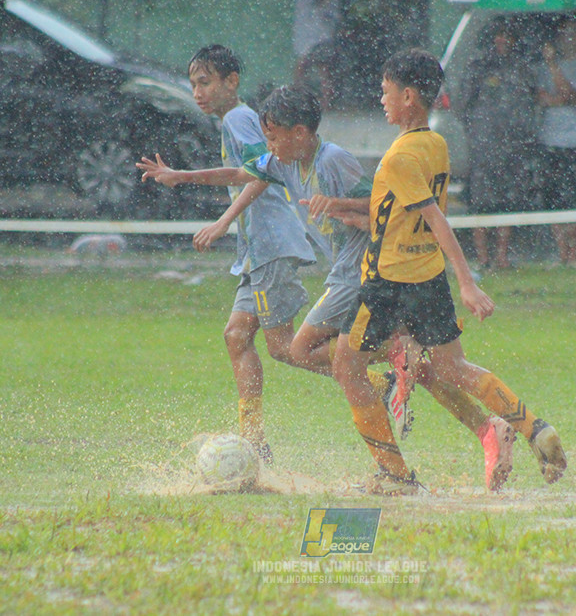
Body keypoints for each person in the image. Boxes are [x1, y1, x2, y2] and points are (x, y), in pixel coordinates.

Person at [193, 83, 521, 493]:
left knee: (302, 349)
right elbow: (243, 174)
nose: (269, 144)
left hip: (363, 273)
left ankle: (401, 442)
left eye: (274, 135)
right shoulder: (284, 161)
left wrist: (340, 207)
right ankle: (455, 419)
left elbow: (382, 207)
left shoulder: (334, 161)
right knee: (414, 370)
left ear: (299, 133)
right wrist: (181, 178)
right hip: (354, 274)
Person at [333, 49, 567, 495]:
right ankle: (534, 427)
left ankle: (395, 476)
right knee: (453, 367)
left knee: (346, 365)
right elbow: (417, 216)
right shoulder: (435, 144)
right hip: (427, 277)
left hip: (388, 282)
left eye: (386, 93)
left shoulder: (399, 156)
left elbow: (437, 219)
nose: (381, 100)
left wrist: (469, 283)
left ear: (407, 97)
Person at [137, 45, 315, 466]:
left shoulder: (238, 118)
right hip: (259, 252)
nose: (197, 92)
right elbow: (243, 173)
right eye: (193, 84)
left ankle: (370, 373)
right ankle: (254, 440)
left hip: (272, 246)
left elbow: (261, 175)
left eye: (205, 82)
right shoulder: (232, 123)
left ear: (231, 82)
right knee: (236, 336)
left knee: (284, 348)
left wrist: (221, 220)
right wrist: (182, 178)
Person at [457, 16, 540, 270]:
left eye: (507, 35)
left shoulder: (522, 67)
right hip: (484, 147)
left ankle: (502, 257)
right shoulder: (478, 66)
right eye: (498, 35)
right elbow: (463, 104)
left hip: (513, 146)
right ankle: (483, 258)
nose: (502, 40)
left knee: (508, 202)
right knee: (480, 203)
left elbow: (531, 102)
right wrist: (478, 132)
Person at [537, 16, 576, 266]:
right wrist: (562, 96)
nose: (567, 40)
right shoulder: (542, 68)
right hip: (551, 140)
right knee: (554, 199)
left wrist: (554, 68)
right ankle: (561, 252)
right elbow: (543, 98)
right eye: (562, 35)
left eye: (572, 34)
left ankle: (574, 253)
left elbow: (570, 95)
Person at [292, 0, 341, 109]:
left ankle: (325, 102)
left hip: (323, 37)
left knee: (324, 69)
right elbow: (312, 4)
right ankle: (296, 99)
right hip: (306, 36)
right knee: (302, 67)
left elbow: (334, 16)